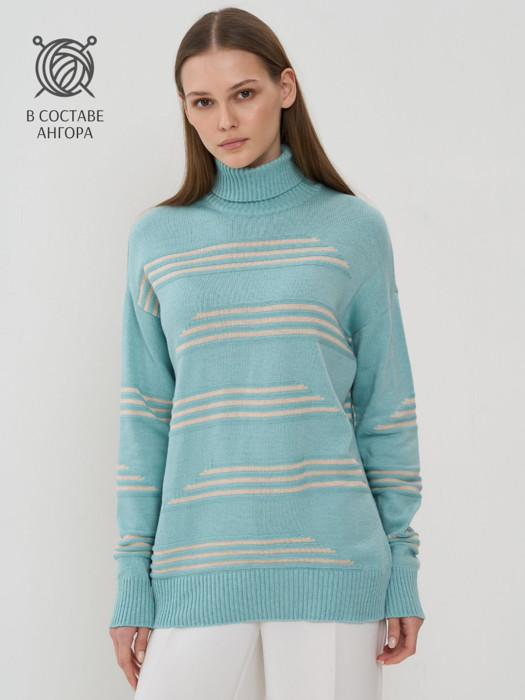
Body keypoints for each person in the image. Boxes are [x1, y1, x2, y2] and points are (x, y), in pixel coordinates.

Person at [108, 7, 425, 699]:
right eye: (202, 102)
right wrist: (133, 579)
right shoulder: (156, 239)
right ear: (185, 110)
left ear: (285, 88)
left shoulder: (353, 229)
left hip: (333, 565)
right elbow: (145, 418)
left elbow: (386, 406)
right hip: (195, 565)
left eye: (243, 93)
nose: (224, 120)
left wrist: (402, 564)